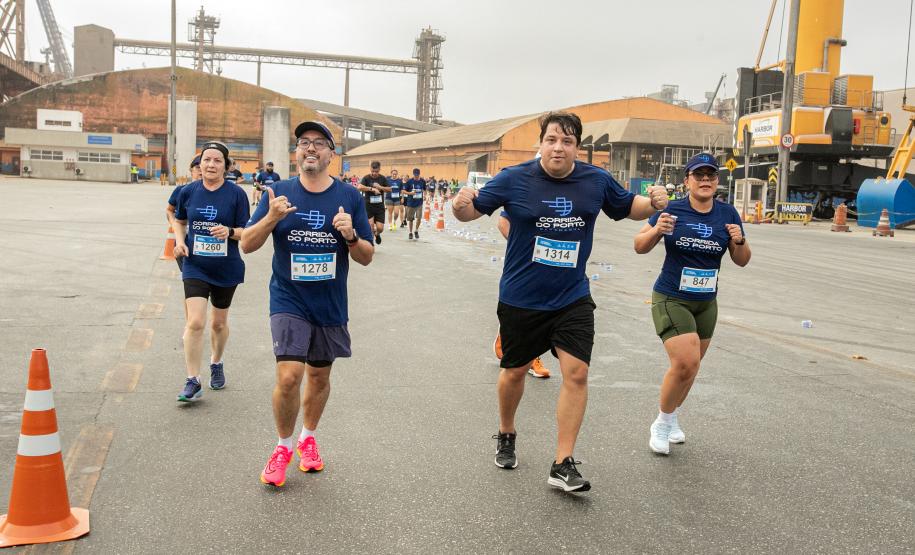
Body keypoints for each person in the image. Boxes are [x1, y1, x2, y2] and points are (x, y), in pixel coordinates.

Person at [452, 111, 669, 493]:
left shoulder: (595, 180)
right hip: (521, 298)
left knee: (577, 373)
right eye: (552, 139)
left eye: (567, 142)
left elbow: (627, 207)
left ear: (577, 148)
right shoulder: (514, 178)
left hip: (572, 297)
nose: (558, 147)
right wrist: (459, 204)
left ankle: (562, 462)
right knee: (514, 373)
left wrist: (652, 202)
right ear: (541, 143)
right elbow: (470, 212)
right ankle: (506, 432)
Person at [241, 121, 374, 488]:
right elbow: (247, 245)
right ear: (296, 152)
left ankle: (308, 439)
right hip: (288, 298)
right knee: (289, 376)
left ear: (332, 154)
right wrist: (270, 218)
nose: (310, 148)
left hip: (330, 303)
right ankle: (283, 447)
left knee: (318, 376)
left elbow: (367, 256)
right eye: (304, 143)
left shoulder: (349, 197)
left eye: (319, 143)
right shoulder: (277, 192)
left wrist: (349, 236)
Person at [633, 152, 751, 455]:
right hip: (672, 297)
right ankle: (660, 423)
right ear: (687, 181)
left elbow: (741, 261)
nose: (705, 181)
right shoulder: (671, 209)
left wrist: (739, 241)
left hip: (706, 303)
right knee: (685, 362)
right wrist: (657, 230)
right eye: (698, 175)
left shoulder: (727, 214)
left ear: (717, 181)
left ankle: (671, 419)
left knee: (691, 369)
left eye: (711, 176)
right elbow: (639, 246)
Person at [172, 142, 251, 401]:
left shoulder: (237, 195)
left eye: (217, 161)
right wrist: (180, 241)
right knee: (195, 322)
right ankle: (192, 380)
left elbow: (245, 233)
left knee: (218, 323)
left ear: (226, 166)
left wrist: (228, 232)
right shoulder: (188, 191)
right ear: (200, 163)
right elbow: (180, 220)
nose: (211, 165)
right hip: (195, 264)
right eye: (207, 160)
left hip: (226, 267)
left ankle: (216, 362)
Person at [492, 210, 551, 378]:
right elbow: (503, 222)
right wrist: (524, 248)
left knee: (546, 308)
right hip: (527, 264)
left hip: (558, 264)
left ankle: (531, 355)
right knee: (532, 308)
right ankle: (530, 356)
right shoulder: (528, 187)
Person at [166, 154, 202, 271]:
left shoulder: (219, 193)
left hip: (206, 242)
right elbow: (169, 210)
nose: (201, 170)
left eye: (203, 166)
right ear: (191, 170)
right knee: (192, 280)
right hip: (184, 241)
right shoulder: (181, 190)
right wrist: (174, 225)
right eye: (197, 167)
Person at [359, 161, 390, 244]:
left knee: (380, 228)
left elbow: (389, 189)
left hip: (379, 207)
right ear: (370, 169)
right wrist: (372, 189)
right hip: (369, 206)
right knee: (371, 226)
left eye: (376, 171)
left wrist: (380, 187)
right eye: (372, 171)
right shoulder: (366, 178)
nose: (374, 173)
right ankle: (371, 244)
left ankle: (377, 234)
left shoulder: (383, 178)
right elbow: (360, 187)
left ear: (379, 169)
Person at [403, 168, 425, 240]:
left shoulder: (422, 181)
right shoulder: (409, 181)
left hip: (419, 203)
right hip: (411, 203)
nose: (416, 176)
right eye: (415, 175)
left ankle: (416, 230)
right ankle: (410, 232)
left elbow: (424, 189)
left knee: (419, 218)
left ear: (419, 174)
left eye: (417, 175)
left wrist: (424, 195)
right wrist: (410, 193)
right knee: (410, 219)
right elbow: (403, 191)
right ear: (413, 174)